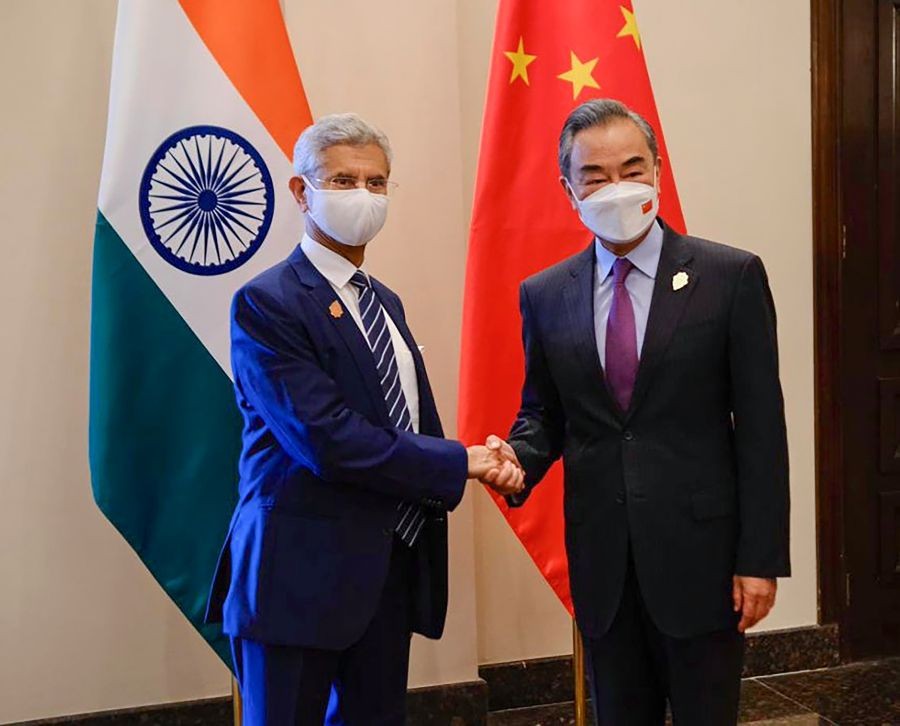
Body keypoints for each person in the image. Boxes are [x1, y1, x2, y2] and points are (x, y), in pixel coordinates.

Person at [205, 113, 523, 725]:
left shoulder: (383, 301)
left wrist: (484, 462)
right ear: (302, 192)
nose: (363, 196)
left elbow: (405, 425)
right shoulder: (267, 303)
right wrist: (464, 461)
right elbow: (326, 439)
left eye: (376, 183)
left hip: (384, 572)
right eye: (343, 180)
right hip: (294, 579)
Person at [486, 99, 791, 725]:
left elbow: (762, 429)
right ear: (568, 188)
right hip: (604, 564)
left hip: (703, 561)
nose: (615, 186)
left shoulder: (728, 277)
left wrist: (759, 559)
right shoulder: (546, 294)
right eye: (594, 175)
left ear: (657, 169)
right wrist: (517, 457)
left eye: (632, 167)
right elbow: (543, 412)